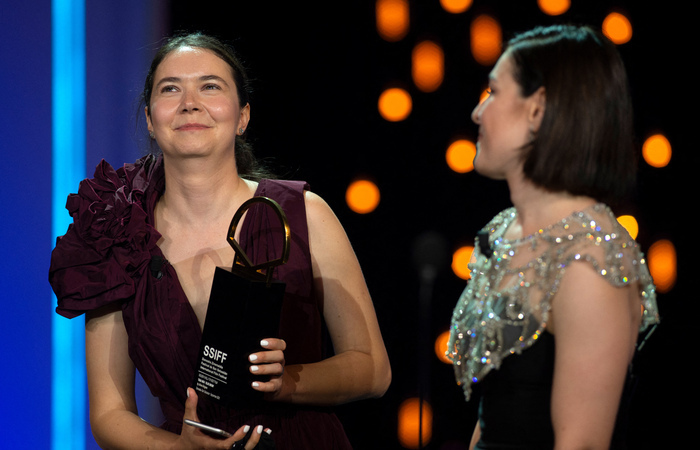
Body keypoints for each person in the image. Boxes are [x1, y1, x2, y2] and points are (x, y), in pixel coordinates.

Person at [49, 32, 391, 450]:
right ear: (151, 120)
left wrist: (286, 383)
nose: (190, 101)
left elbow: (372, 369)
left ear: (243, 116)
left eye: (210, 86)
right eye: (170, 89)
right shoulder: (114, 235)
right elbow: (109, 413)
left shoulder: (305, 213)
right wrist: (180, 448)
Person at [447, 24, 660, 450]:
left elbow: (580, 442)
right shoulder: (504, 229)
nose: (477, 112)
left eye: (492, 92)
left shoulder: (593, 256)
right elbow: (492, 417)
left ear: (538, 108)